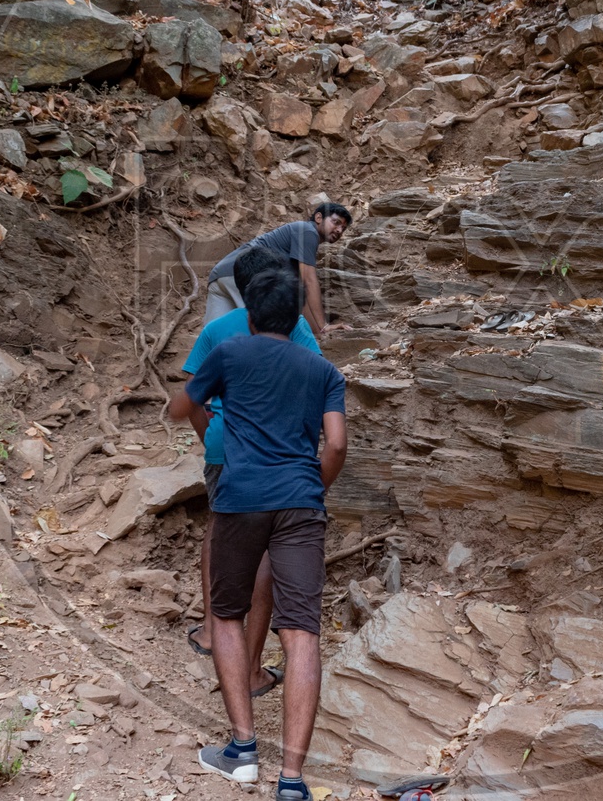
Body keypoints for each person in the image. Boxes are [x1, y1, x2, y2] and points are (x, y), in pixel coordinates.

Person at [170, 268, 347, 799]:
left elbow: (182, 408)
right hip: (300, 504)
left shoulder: (229, 354)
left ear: (247, 313)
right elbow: (335, 445)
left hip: (241, 499)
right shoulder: (323, 370)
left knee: (226, 614)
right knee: (302, 635)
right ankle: (292, 781)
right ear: (296, 316)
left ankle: (242, 751)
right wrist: (310, 488)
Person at [173, 247, 323, 693]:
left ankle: (209, 629)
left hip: (225, 447)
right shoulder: (295, 329)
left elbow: (190, 397)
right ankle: (252, 667)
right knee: (263, 558)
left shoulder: (218, 330)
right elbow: (316, 383)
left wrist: (213, 438)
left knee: (219, 531)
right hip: (280, 456)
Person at [203, 203, 351, 335]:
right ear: (319, 218)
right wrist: (323, 325)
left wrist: (317, 331)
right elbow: (309, 281)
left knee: (214, 336)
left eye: (343, 228)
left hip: (220, 276)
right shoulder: (308, 231)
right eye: (336, 222)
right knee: (263, 331)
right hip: (245, 275)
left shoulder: (299, 241)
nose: (339, 230)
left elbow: (302, 295)